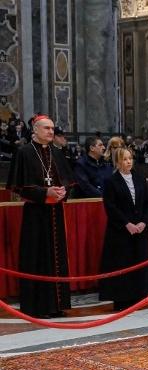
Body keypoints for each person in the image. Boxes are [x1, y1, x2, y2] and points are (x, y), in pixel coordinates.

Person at [6, 114, 75, 318]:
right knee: (37, 257)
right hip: (35, 215)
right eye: (47, 128)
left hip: (56, 212)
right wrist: (45, 193)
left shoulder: (57, 153)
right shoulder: (24, 153)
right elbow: (19, 186)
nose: (51, 132)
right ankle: (38, 307)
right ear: (35, 130)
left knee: (57, 257)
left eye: (52, 128)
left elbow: (68, 181)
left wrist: (63, 192)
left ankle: (57, 305)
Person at [98, 147, 148, 311]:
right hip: (120, 231)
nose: (128, 162)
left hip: (139, 230)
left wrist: (143, 222)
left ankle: (139, 297)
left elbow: (147, 203)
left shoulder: (140, 179)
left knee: (139, 263)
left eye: (130, 158)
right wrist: (126, 224)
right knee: (122, 264)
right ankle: (122, 300)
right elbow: (111, 207)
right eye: (125, 159)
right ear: (118, 162)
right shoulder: (111, 181)